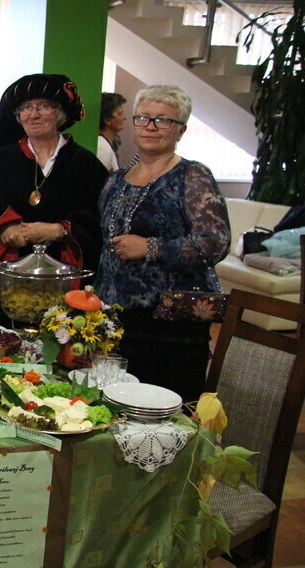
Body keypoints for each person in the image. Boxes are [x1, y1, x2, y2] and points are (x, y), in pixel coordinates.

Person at [95, 84, 230, 403]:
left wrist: (150, 247)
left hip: (171, 326)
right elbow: (105, 250)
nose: (151, 127)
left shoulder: (192, 176)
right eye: (143, 118)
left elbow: (215, 242)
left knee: (168, 412)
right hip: (117, 325)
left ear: (181, 129)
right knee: (115, 409)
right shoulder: (116, 179)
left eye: (163, 120)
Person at [0, 73, 107, 308]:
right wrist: (5, 226)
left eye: (44, 106)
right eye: (26, 107)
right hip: (8, 274)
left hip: (63, 274)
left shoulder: (86, 164)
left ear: (61, 113)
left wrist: (60, 230)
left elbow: (98, 215)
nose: (33, 114)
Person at [98, 92, 127, 171]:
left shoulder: (109, 144)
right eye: (120, 114)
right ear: (107, 120)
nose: (124, 118)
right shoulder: (102, 148)